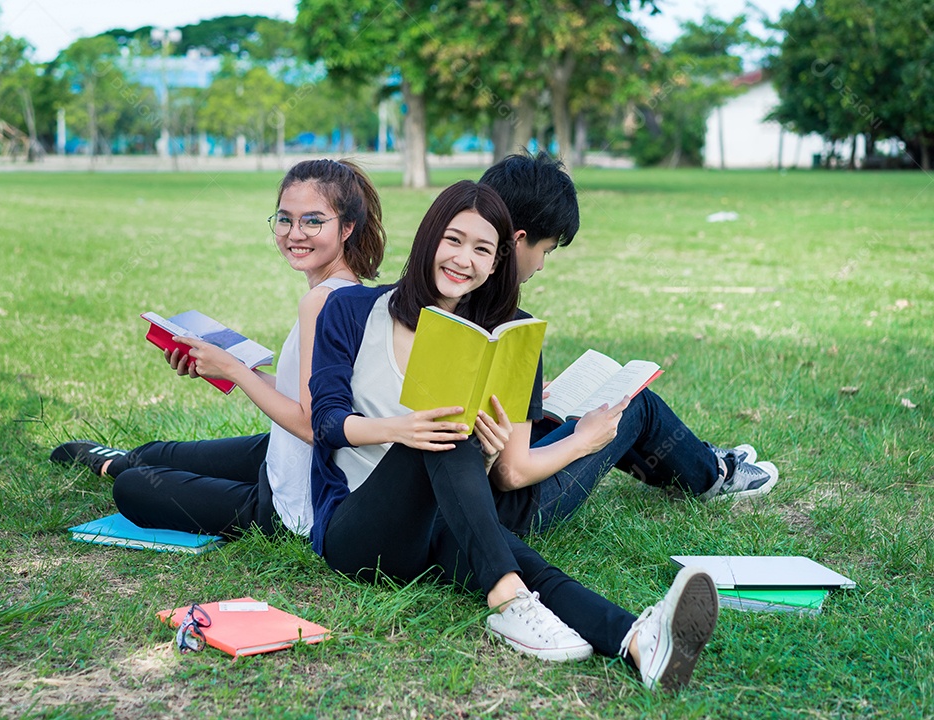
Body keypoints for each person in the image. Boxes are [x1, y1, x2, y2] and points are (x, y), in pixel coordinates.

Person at [308, 179, 718, 691]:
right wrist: (402, 429)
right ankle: (508, 602)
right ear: (429, 237)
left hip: (440, 522)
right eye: (453, 240)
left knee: (522, 564)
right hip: (357, 528)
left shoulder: (510, 333)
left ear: (498, 261)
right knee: (447, 427)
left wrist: (493, 449)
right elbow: (324, 423)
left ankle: (640, 642)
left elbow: (505, 472)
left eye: (483, 249)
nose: (464, 259)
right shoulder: (351, 310)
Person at [50, 159, 386, 539]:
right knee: (162, 455)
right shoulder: (358, 295)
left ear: (347, 227)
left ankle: (116, 468)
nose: (295, 233)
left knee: (135, 488)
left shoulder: (320, 303)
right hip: (285, 454)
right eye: (284, 219)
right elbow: (315, 393)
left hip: (296, 502)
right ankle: (118, 459)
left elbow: (314, 427)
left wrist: (235, 370)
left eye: (313, 221)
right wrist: (235, 367)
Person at [478, 152, 780, 536]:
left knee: (586, 410)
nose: (540, 266)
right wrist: (583, 441)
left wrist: (529, 400)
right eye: (546, 251)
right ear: (520, 241)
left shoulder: (458, 295)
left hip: (473, 485)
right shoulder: (513, 328)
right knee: (632, 405)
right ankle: (714, 474)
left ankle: (703, 460)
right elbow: (510, 473)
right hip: (515, 510)